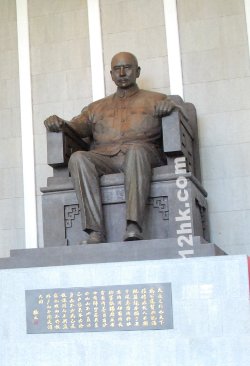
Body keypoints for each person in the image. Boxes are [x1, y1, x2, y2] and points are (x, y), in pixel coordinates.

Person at [44, 52, 184, 243]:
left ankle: (133, 225)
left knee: (135, 150)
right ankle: (95, 231)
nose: (122, 73)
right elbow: (76, 126)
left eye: (127, 67)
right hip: (105, 157)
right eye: (117, 69)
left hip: (145, 154)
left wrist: (172, 107)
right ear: (111, 75)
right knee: (78, 158)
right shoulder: (96, 107)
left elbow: (182, 117)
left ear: (137, 71)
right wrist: (59, 123)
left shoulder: (157, 99)